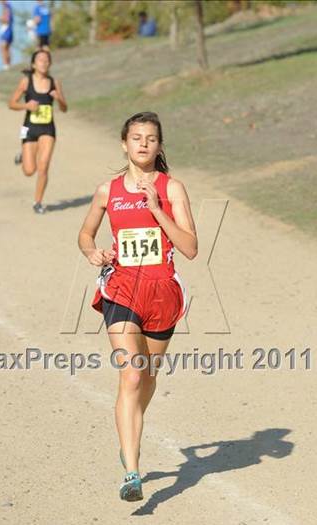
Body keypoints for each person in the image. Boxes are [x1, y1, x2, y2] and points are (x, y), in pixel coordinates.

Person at [78, 112, 198, 501]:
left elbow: (191, 248)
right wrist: (93, 252)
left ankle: (129, 427)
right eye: (136, 138)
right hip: (122, 288)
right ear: (124, 144)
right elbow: (85, 233)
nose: (143, 144)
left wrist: (158, 208)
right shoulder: (106, 190)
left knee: (147, 378)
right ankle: (132, 470)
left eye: (151, 139)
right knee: (130, 376)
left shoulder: (173, 188)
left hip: (162, 291)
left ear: (159, 146)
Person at [8, 50, 67, 214]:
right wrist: (26, 106)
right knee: (29, 171)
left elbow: (64, 108)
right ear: (34, 64)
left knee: (44, 166)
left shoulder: (55, 82)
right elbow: (11, 103)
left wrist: (58, 98)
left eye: (47, 60)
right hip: (28, 127)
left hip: (48, 128)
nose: (44, 62)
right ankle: (23, 153)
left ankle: (38, 202)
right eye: (40, 60)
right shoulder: (26, 82)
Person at [0, 0, 13, 71]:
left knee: (3, 47)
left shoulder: (7, 7)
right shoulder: (7, 7)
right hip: (7, 30)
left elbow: (7, 19)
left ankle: (6, 65)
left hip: (6, 30)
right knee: (7, 48)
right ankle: (8, 65)